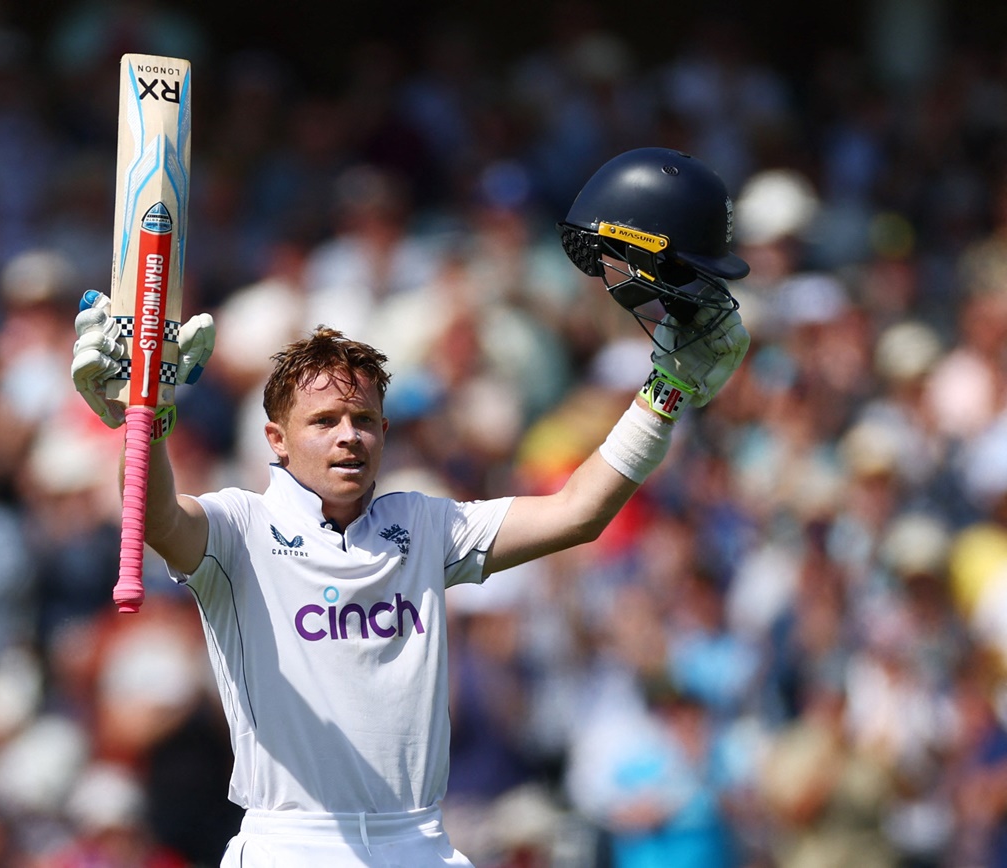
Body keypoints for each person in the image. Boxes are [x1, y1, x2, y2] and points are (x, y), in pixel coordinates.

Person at [69, 147, 751, 867]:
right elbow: (158, 515)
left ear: (386, 432)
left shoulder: (426, 525)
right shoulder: (242, 527)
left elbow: (580, 512)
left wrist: (665, 395)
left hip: (419, 843)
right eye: (324, 422)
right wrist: (142, 415)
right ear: (275, 439)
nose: (348, 437)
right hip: (292, 845)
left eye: (363, 420)